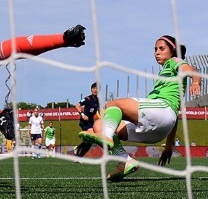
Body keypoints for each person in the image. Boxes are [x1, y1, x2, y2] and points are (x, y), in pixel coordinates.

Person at [79, 35, 201, 182]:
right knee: (99, 125)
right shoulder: (166, 75)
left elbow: (191, 69)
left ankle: (107, 137)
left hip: (162, 111)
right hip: (159, 129)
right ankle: (125, 161)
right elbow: (174, 117)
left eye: (161, 48)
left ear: (172, 50)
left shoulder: (174, 61)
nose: (157, 52)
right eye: (155, 49)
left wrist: (195, 82)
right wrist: (168, 146)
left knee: (112, 105)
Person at [74, 82, 100, 157]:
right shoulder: (88, 98)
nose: (95, 90)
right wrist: (82, 114)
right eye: (94, 88)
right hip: (85, 121)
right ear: (91, 89)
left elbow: (100, 112)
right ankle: (78, 148)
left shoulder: (98, 100)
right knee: (92, 136)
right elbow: (77, 105)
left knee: (90, 141)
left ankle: (79, 156)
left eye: (97, 88)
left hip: (91, 122)